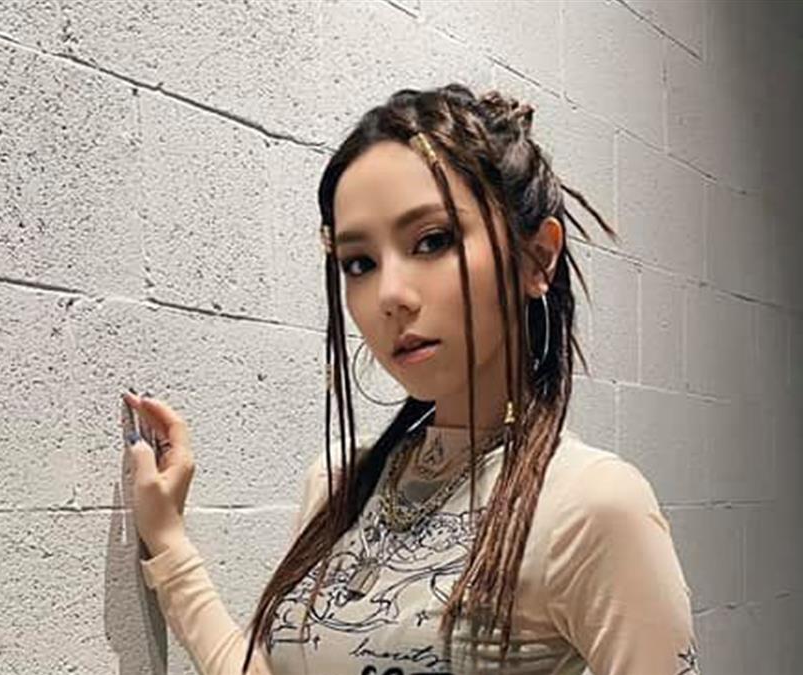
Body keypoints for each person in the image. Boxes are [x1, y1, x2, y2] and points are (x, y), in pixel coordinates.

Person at [120, 83, 700, 675]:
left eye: (433, 241)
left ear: (537, 258)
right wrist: (168, 542)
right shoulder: (338, 484)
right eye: (359, 263)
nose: (390, 295)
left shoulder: (591, 506)